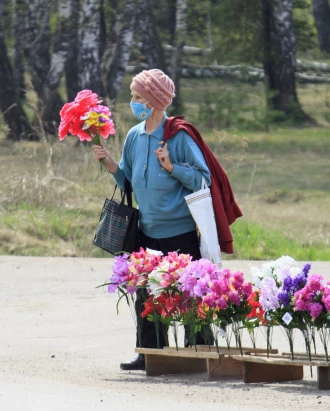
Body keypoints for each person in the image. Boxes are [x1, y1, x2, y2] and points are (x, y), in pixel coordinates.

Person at [93, 69, 213, 371]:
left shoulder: (179, 135)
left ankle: (199, 351)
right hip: (146, 231)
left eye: (137, 97)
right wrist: (110, 163)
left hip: (180, 232)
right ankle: (150, 353)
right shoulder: (134, 136)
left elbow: (203, 180)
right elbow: (128, 184)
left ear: (155, 100)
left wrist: (172, 166)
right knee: (145, 292)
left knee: (189, 294)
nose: (133, 103)